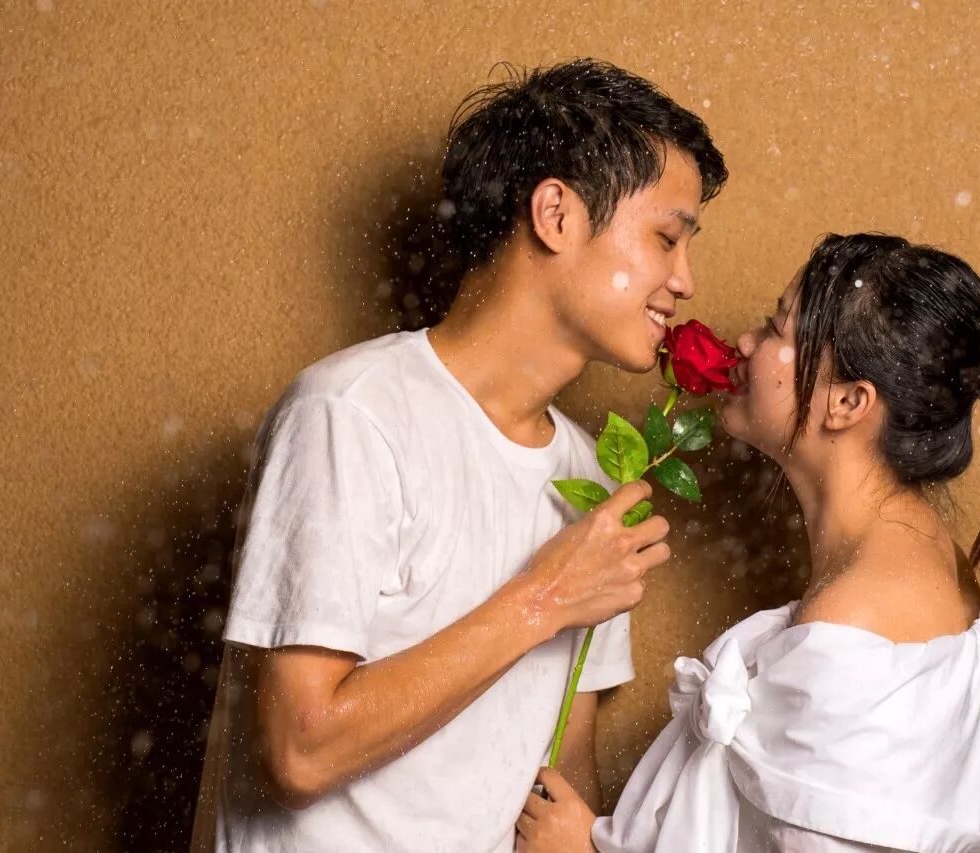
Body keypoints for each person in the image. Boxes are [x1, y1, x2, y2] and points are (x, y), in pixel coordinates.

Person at [191, 58, 728, 852]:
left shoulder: (596, 476)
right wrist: (544, 597)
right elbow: (301, 750)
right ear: (556, 214)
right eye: (666, 238)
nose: (684, 281)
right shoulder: (351, 414)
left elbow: (559, 769)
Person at [516, 233, 980, 852]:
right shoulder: (928, 568)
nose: (745, 343)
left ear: (848, 402)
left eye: (775, 328)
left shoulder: (851, 625)